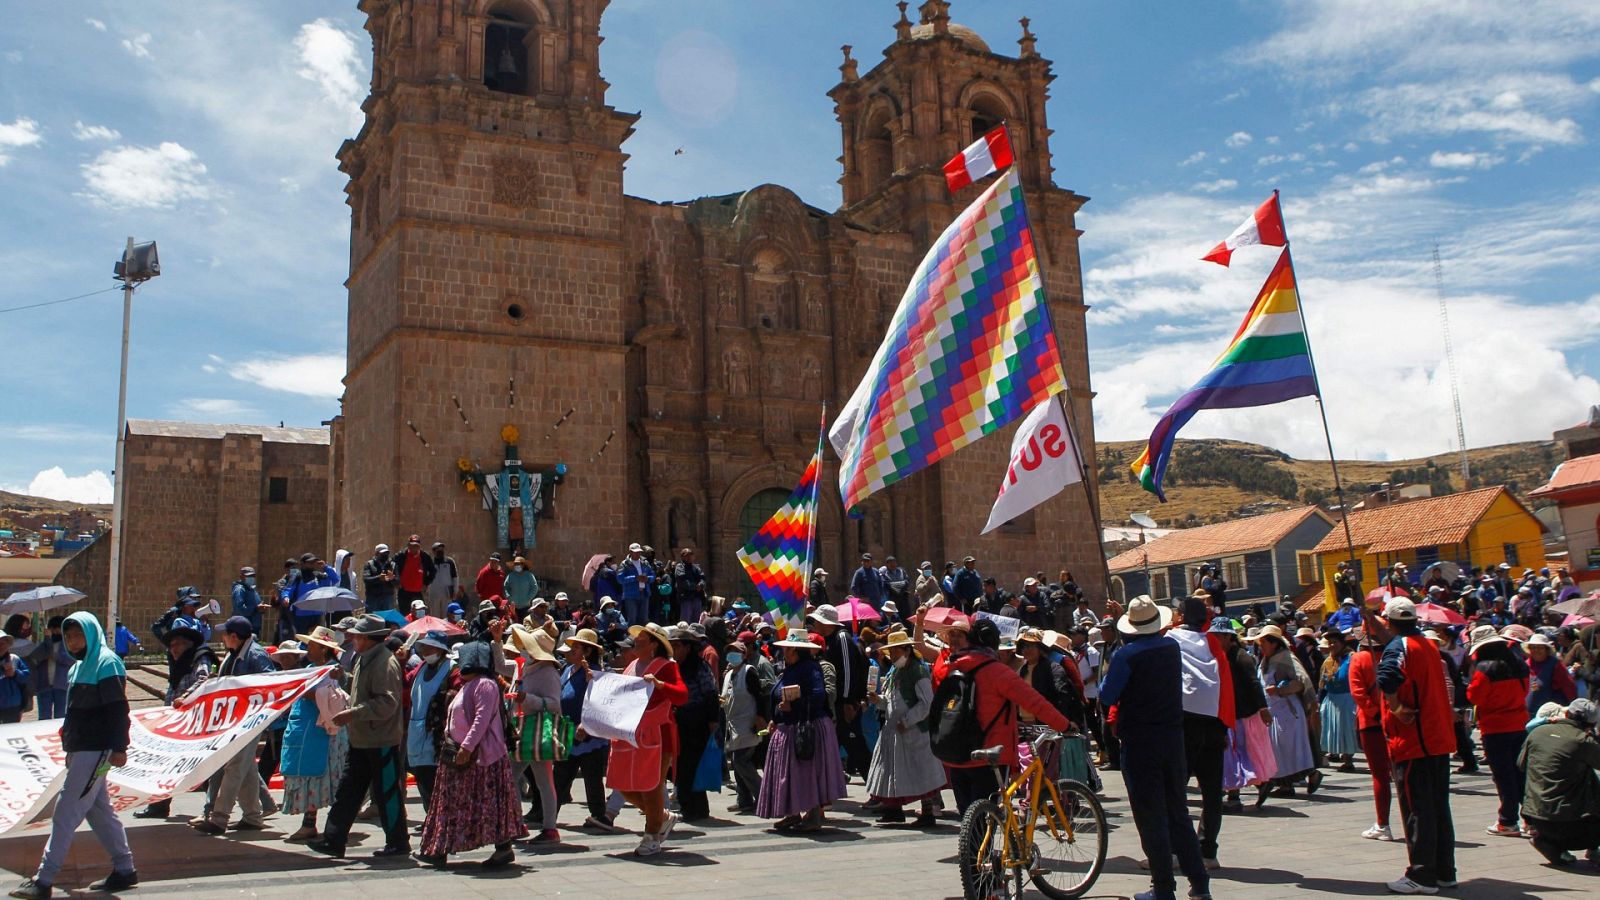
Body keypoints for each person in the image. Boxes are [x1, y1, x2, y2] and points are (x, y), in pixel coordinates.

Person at [10, 613, 137, 900]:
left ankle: (44, 879)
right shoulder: (79, 667)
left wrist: (119, 748)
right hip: (82, 748)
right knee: (99, 811)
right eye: (68, 636)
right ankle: (125, 868)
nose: (72, 641)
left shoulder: (106, 663)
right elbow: (75, 710)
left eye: (77, 635)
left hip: (95, 749)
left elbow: (119, 711)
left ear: (90, 634)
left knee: (65, 812)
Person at [1098, 596, 1210, 900]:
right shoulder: (1170, 648)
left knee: (1150, 815)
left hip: (1139, 741)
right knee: (1178, 812)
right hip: (1172, 738)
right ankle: (1199, 884)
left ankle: (1163, 888)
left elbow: (1107, 695)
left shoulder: (1126, 655)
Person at [942, 618, 1071, 814]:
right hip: (989, 754)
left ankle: (975, 845)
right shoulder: (998, 671)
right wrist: (1065, 725)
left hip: (956, 752)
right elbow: (1035, 702)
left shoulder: (954, 667)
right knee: (986, 819)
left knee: (968, 822)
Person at [414, 641, 525, 869]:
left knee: (482, 803)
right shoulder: (470, 684)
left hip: (480, 757)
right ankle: (440, 847)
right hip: (462, 755)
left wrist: (466, 747)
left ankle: (446, 849)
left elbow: (481, 720)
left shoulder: (485, 685)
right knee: (460, 803)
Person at [1376, 598, 1458, 895]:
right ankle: (1445, 871)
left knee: (1417, 810)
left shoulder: (1400, 647)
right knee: (1438, 808)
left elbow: (1386, 679)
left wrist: (1396, 708)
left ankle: (1422, 875)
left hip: (1413, 741)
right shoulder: (1428, 645)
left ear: (1389, 621)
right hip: (1437, 738)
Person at [312, 614, 409, 859]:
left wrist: (353, 714)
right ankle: (333, 839)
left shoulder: (385, 663)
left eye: (356, 635)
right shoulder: (363, 659)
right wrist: (344, 678)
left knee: (387, 793)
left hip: (381, 740)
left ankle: (398, 842)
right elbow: (363, 688)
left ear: (367, 639)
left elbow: (387, 703)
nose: (352, 638)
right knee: (348, 791)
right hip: (361, 739)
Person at [606, 622, 687, 856]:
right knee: (623, 784)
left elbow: (681, 695)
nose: (636, 641)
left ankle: (652, 835)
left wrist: (661, 685)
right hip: (631, 734)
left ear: (654, 644)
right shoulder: (631, 665)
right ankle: (661, 817)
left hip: (657, 735)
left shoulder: (666, 666)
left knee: (650, 785)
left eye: (641, 638)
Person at [759, 628, 847, 832]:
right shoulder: (789, 670)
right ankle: (793, 813)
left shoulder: (810, 669)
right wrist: (775, 718)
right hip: (788, 727)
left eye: (788, 649)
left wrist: (794, 707)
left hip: (805, 728)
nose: (785, 653)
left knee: (806, 771)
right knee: (792, 773)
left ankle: (812, 814)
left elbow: (818, 696)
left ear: (797, 650)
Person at [194, 617, 275, 835]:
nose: (221, 638)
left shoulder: (256, 655)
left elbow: (270, 681)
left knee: (234, 767)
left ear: (234, 637)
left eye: (224, 634)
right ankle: (253, 816)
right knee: (246, 769)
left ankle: (219, 819)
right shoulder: (234, 655)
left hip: (249, 721)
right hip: (235, 721)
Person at [1171, 598, 1232, 871]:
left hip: (1183, 721)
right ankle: (1208, 851)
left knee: (1175, 789)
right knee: (1211, 791)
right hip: (1214, 720)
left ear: (1181, 615)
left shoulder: (1172, 638)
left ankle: (1174, 851)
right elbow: (1226, 684)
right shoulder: (1214, 644)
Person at [864, 631, 942, 826]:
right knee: (891, 770)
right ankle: (893, 809)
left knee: (920, 769)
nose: (892, 655)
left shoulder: (918, 671)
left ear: (907, 649)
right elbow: (891, 701)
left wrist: (907, 721)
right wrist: (879, 701)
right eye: (890, 651)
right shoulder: (894, 671)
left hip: (913, 731)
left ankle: (927, 813)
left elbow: (926, 703)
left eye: (895, 650)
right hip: (894, 730)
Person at [280, 627, 349, 843]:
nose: (307, 649)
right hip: (306, 731)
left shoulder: (335, 672)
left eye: (311, 645)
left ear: (323, 649)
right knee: (308, 777)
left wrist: (306, 692)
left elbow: (335, 699)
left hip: (325, 733)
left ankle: (318, 824)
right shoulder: (310, 669)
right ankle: (312, 823)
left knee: (322, 777)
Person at [1463, 625, 1531, 838]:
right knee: (1520, 774)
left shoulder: (1484, 668)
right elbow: (1525, 690)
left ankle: (1507, 820)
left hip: (1495, 728)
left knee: (1504, 776)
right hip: (1519, 724)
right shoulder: (1519, 664)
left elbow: (1475, 697)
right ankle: (1531, 818)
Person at [1517, 698, 1600, 865]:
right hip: (1567, 821)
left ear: (1567, 713)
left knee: (1585, 774)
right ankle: (1585, 846)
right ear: (1590, 724)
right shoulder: (1583, 740)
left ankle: (1548, 843)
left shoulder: (1538, 732)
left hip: (1535, 815)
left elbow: (1520, 764)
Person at [1245, 624, 1317, 807]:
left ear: (1273, 643)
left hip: (1287, 709)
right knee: (1280, 749)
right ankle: (1286, 785)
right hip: (1274, 710)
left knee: (1287, 748)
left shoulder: (1286, 659)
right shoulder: (1265, 660)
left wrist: (1280, 690)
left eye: (1263, 643)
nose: (1260, 647)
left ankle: (1310, 775)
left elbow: (1301, 682)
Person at [553, 629, 616, 831]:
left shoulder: (597, 673)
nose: (570, 650)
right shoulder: (567, 669)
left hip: (589, 735)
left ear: (587, 651)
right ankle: (547, 813)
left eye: (576, 647)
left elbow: (599, 703)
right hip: (568, 732)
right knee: (560, 776)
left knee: (592, 777)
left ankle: (598, 815)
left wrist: (586, 723)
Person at [509, 624, 563, 843]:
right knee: (511, 777)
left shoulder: (548, 673)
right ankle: (516, 821)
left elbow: (554, 704)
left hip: (539, 731)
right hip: (524, 730)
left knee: (543, 782)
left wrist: (527, 699)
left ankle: (550, 828)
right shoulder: (528, 668)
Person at [1348, 626, 1396, 841]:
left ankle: (1383, 823)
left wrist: (1374, 712)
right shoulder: (1394, 656)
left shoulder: (1359, 659)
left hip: (1371, 721)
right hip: (1395, 718)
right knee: (1399, 773)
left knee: (1379, 774)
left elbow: (1358, 692)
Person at [668, 625, 719, 823]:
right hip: (679, 722)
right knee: (681, 767)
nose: (674, 650)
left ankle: (696, 809)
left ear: (688, 647)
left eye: (678, 646)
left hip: (697, 722)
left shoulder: (700, 667)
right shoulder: (674, 666)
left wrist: (712, 721)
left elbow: (710, 693)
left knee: (692, 766)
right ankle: (689, 806)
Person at [404, 632, 458, 814]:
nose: (425, 650)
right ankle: (433, 821)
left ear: (441, 650)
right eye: (424, 647)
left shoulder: (452, 669)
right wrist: (401, 661)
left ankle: (439, 822)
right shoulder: (420, 668)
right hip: (416, 735)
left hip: (438, 738)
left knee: (436, 784)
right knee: (423, 781)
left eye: (430, 647)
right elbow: (405, 682)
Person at [720, 637, 768, 813]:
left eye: (736, 652)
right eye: (730, 651)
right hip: (733, 726)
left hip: (748, 723)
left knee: (741, 761)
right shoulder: (728, 675)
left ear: (744, 654)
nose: (732, 655)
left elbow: (759, 696)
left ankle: (763, 795)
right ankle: (744, 799)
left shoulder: (749, 672)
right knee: (736, 761)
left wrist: (760, 717)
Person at [1319, 630, 1360, 772]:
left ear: (1342, 643)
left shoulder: (1351, 657)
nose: (1332, 645)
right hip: (1332, 698)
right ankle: (1338, 755)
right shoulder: (1329, 661)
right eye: (1330, 643)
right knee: (1334, 729)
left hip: (1347, 698)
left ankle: (1348, 760)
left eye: (1335, 642)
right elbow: (1322, 683)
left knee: (1347, 729)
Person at [30, 617, 73, 720]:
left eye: (58, 629)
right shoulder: (43, 645)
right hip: (44, 686)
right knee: (44, 717)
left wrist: (56, 656)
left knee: (61, 716)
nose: (55, 631)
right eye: (52, 629)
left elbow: (70, 660)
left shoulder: (67, 645)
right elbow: (36, 657)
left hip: (62, 685)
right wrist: (47, 641)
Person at [1524, 633, 1576, 714]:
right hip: (1529, 712)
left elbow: (1568, 686)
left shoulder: (1555, 665)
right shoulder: (1526, 665)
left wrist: (1572, 707)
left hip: (1551, 714)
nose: (1536, 650)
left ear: (1546, 650)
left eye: (1540, 647)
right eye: (1533, 647)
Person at [393, 534, 437, 612]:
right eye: (412, 546)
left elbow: (433, 571)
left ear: (419, 546)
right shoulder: (401, 555)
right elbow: (392, 567)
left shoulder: (425, 557)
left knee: (418, 614)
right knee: (405, 614)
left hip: (418, 592)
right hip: (404, 591)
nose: (414, 548)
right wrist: (396, 581)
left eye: (416, 546)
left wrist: (426, 583)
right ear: (408, 546)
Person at [0, 632, 31, 724]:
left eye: (3, 643)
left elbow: (26, 677)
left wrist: (15, 674)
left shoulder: (14, 659)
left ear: (8, 645)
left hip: (13, 705)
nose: (1, 647)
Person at [424, 541, 463, 615]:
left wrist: (455, 591)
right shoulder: (430, 563)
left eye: (442, 549)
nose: (440, 551)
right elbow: (426, 577)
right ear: (434, 551)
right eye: (438, 550)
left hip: (447, 593)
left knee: (446, 615)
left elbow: (455, 577)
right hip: (434, 594)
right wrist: (426, 589)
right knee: (435, 615)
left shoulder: (450, 562)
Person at [673, 548, 708, 625]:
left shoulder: (696, 567)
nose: (689, 557)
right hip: (686, 598)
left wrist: (701, 585)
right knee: (685, 621)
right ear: (682, 557)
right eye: (687, 556)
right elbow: (682, 580)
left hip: (697, 597)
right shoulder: (680, 567)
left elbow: (702, 578)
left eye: (691, 555)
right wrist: (695, 587)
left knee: (696, 621)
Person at [362, 544, 398, 612]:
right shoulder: (369, 564)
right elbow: (366, 579)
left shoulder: (392, 565)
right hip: (373, 598)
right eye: (383, 553)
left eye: (387, 553)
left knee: (388, 620)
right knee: (373, 619)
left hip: (388, 598)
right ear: (377, 553)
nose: (385, 555)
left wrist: (392, 579)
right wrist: (379, 578)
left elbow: (398, 582)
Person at [231, 566, 263, 635]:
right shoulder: (239, 589)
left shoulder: (251, 590)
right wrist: (256, 608)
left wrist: (261, 609)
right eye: (248, 576)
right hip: (243, 627)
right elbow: (239, 609)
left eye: (253, 576)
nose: (251, 578)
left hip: (253, 626)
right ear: (241, 576)